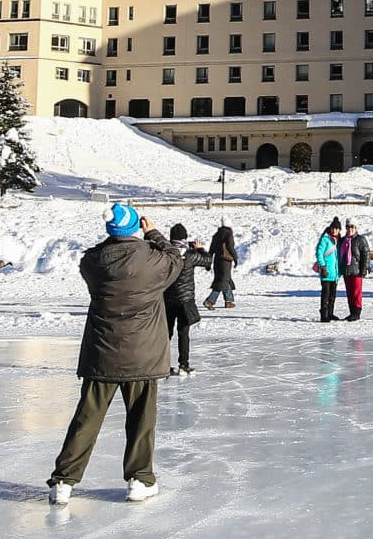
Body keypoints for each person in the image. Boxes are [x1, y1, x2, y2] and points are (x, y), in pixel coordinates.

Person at [47, 203, 182, 505]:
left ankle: (63, 482)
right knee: (141, 421)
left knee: (86, 419)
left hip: (102, 353)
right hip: (143, 355)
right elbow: (176, 259)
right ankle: (139, 478)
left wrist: (116, 235)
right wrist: (154, 233)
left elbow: (96, 253)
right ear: (135, 227)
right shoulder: (151, 260)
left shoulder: (92, 262)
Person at [159, 223, 207, 375]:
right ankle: (183, 365)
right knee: (183, 333)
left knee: (166, 333)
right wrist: (199, 248)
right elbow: (208, 261)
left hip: (167, 299)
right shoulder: (191, 255)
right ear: (185, 238)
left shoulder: (166, 253)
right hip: (185, 300)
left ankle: (162, 365)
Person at [340, 220, 372, 322]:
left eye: (352, 226)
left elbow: (366, 254)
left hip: (357, 269)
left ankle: (357, 312)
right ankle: (351, 312)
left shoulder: (360, 239)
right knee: (349, 292)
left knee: (356, 292)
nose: (350, 229)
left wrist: (365, 268)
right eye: (348, 227)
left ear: (356, 228)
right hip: (346, 269)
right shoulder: (343, 240)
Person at [315, 219, 343, 322]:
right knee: (325, 294)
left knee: (332, 295)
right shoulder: (325, 239)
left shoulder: (338, 240)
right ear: (330, 228)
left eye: (337, 229)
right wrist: (323, 266)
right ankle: (324, 314)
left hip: (335, 273)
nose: (335, 230)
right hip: (326, 272)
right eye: (334, 228)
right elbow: (319, 253)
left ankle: (330, 313)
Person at [205, 222, 238, 309]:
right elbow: (230, 247)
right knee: (222, 281)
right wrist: (235, 258)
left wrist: (208, 262)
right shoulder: (228, 233)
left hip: (217, 261)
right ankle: (210, 301)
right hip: (225, 261)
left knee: (225, 280)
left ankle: (229, 301)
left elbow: (211, 250)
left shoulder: (216, 235)